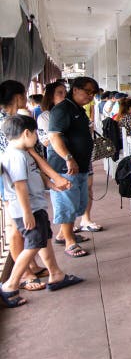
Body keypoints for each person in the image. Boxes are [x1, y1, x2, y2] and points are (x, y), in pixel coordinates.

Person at [0, 115, 84, 307]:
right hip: (28, 210)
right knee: (33, 246)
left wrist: (51, 185)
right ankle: (10, 285)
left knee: (44, 239)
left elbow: (34, 176)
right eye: (36, 133)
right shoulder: (15, 156)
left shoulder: (22, 153)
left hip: (35, 206)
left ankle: (56, 275)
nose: (38, 137)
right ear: (27, 133)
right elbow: (20, 186)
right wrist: (27, 212)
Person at [0, 81, 71, 290]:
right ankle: (19, 277)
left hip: (28, 191)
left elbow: (31, 159)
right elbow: (20, 177)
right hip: (18, 193)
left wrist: (50, 181)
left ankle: (49, 271)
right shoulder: (10, 127)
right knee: (21, 231)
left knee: (38, 234)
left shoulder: (16, 123)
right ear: (17, 96)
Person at [47, 77, 100, 258]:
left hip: (80, 167)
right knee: (66, 204)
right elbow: (54, 137)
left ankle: (65, 234)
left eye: (93, 93)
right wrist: (68, 158)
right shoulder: (62, 109)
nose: (90, 96)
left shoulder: (77, 109)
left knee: (78, 203)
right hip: (65, 168)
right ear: (75, 89)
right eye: (88, 91)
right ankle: (70, 242)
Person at [37, 81, 68, 148]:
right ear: (51, 97)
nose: (65, 95)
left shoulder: (70, 112)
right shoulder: (44, 117)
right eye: (60, 93)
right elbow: (45, 142)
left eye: (65, 92)